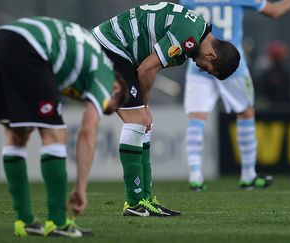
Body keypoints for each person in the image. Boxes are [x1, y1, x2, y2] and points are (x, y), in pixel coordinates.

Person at [0, 16, 128, 237]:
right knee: (56, 134)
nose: (97, 104)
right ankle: (59, 222)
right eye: (106, 105)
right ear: (116, 88)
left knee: (15, 135)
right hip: (28, 47)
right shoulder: (106, 73)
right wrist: (81, 188)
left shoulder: (79, 64)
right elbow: (87, 130)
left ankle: (24, 221)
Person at [92, 1, 240, 216]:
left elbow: (149, 65)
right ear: (212, 56)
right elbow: (145, 70)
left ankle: (144, 198)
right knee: (138, 121)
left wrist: (144, 106)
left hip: (116, 50)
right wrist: (145, 104)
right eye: (208, 70)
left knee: (143, 123)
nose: (201, 69)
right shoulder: (189, 38)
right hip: (109, 48)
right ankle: (134, 203)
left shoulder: (194, 34)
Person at [179, 0, 290, 191]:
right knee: (245, 113)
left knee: (196, 117)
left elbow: (177, 21)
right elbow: (274, 11)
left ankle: (195, 175)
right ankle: (248, 175)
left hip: (199, 62)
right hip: (231, 64)